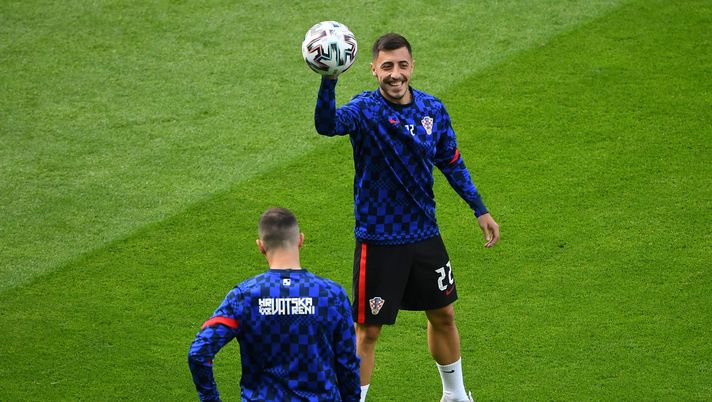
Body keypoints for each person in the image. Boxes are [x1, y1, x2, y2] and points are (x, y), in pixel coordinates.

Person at [314, 33, 500, 402]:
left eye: (401, 65)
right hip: (379, 240)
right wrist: (329, 79)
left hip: (424, 234)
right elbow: (327, 125)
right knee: (368, 332)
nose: (394, 74)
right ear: (373, 70)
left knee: (443, 314)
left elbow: (451, 162)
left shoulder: (433, 109)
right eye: (386, 67)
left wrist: (480, 209)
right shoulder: (364, 110)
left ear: (412, 66)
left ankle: (455, 395)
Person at [187, 207, 361, 402]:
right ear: (300, 240)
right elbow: (348, 365)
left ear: (261, 246)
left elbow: (199, 353)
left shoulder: (245, 297)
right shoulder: (332, 295)